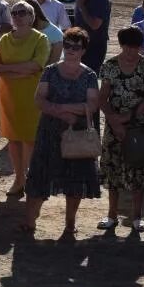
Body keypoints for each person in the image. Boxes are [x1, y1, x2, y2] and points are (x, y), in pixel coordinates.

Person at [23, 27, 101, 240]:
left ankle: (70, 224)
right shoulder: (50, 71)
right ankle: (29, 222)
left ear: (83, 50)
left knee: (75, 180)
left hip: (77, 135)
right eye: (67, 45)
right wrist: (63, 111)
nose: (70, 50)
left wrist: (62, 108)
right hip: (49, 132)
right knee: (39, 176)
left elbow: (93, 104)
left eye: (76, 46)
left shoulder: (90, 75)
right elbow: (39, 100)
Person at [97, 26, 144, 237]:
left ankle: (137, 216)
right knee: (113, 171)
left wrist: (128, 117)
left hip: (139, 127)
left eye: (136, 47)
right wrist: (114, 121)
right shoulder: (110, 66)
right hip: (114, 126)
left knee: (138, 173)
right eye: (128, 47)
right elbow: (102, 98)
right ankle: (111, 215)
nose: (133, 52)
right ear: (122, 45)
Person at [0, 1, 49, 200]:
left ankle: (31, 178)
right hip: (7, 94)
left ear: (32, 17)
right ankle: (19, 179)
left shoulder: (40, 39)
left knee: (30, 138)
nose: (17, 16)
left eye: (22, 12)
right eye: (14, 12)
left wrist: (10, 70)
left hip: (31, 95)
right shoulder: (4, 40)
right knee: (13, 138)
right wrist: (21, 70)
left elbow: (36, 66)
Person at [73, 0, 112, 71]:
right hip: (79, 44)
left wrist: (82, 7)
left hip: (95, 46)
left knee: (90, 76)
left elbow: (95, 25)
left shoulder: (101, 0)